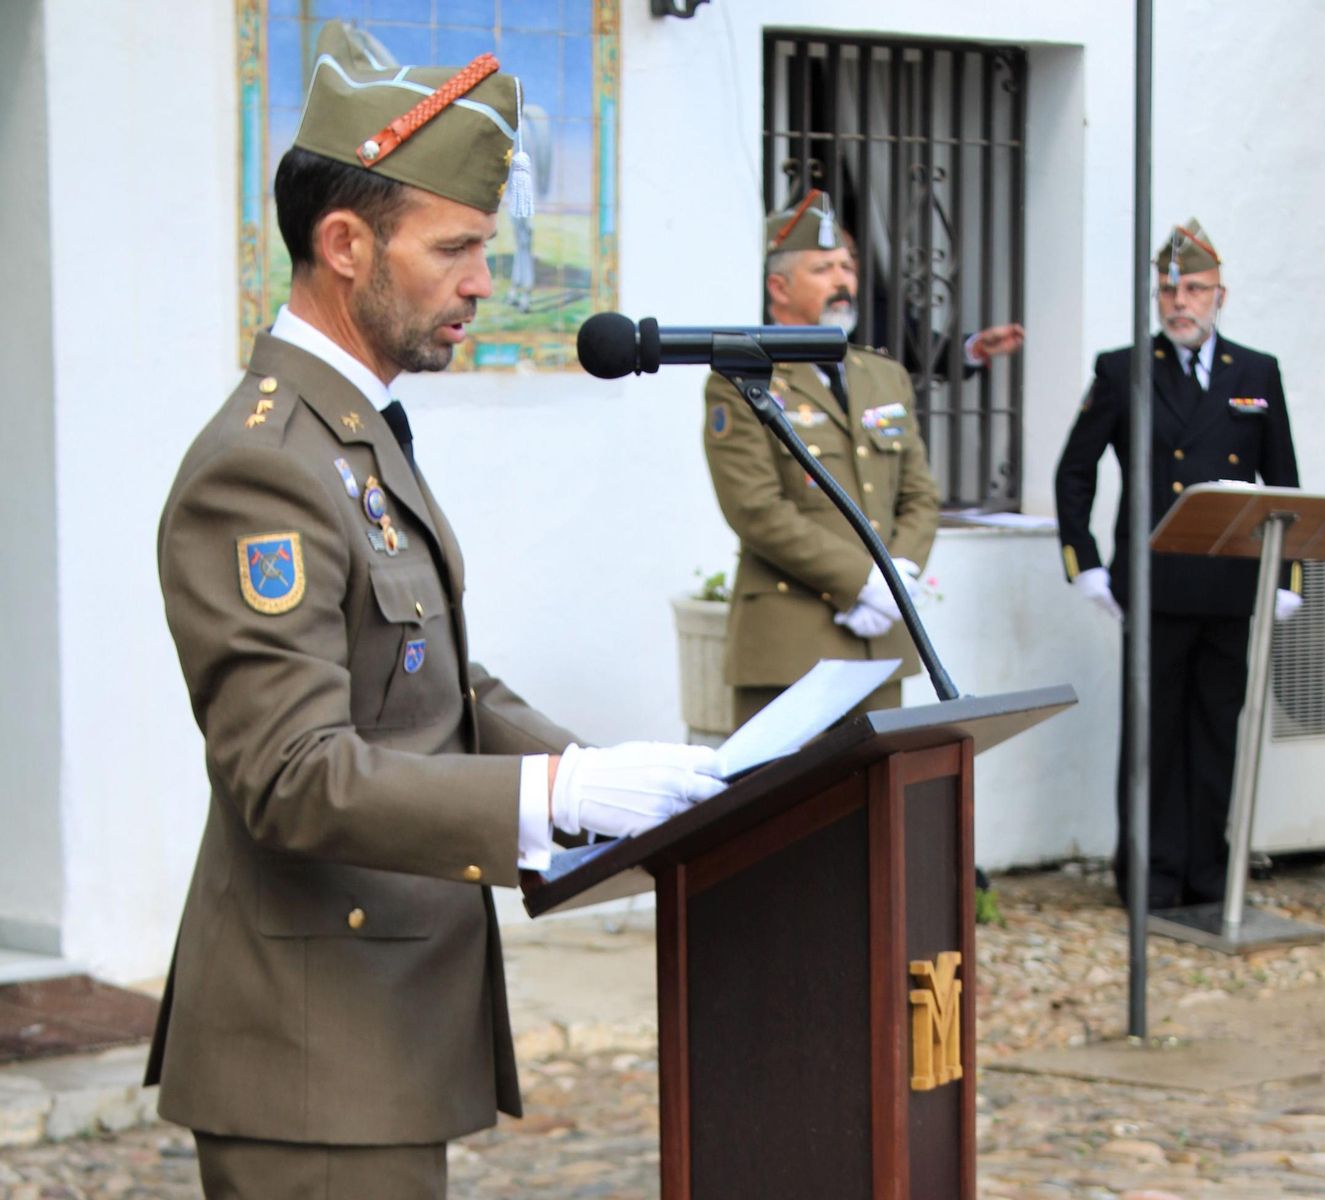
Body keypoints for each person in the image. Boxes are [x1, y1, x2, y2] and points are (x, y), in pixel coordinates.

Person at [145, 44, 724, 1198]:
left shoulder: (349, 433)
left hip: (370, 1036)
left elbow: (431, 679)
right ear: (346, 245)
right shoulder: (263, 466)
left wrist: (598, 770)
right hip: (311, 1057)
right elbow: (290, 772)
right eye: (453, 248)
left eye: (485, 249)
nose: (481, 282)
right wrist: (548, 800)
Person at [1053, 220, 1301, 911]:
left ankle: (1209, 877)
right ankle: (1150, 877)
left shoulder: (1256, 373)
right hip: (1153, 586)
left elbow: (1284, 478)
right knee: (1153, 740)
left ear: (1222, 295)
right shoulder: (1123, 368)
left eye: (1193, 289)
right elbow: (1074, 474)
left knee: (1219, 735)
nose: (1178, 302)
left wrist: (1286, 579)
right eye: (1167, 289)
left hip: (1229, 586)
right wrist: (1087, 566)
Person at [703, 190, 943, 728]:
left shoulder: (882, 375)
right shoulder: (741, 380)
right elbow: (755, 509)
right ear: (778, 288)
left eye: (847, 266)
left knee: (878, 808)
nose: (843, 280)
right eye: (823, 268)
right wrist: (863, 579)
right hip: (791, 647)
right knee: (789, 809)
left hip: (880, 641)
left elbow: (920, 496)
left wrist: (896, 577)